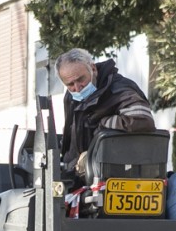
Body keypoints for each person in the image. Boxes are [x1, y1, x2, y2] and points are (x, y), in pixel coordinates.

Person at [55, 48, 156, 183]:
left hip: (118, 178)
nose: (77, 88)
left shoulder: (119, 89)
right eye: (70, 84)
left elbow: (143, 121)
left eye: (81, 79)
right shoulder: (71, 97)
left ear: (93, 69)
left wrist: (104, 124)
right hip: (79, 178)